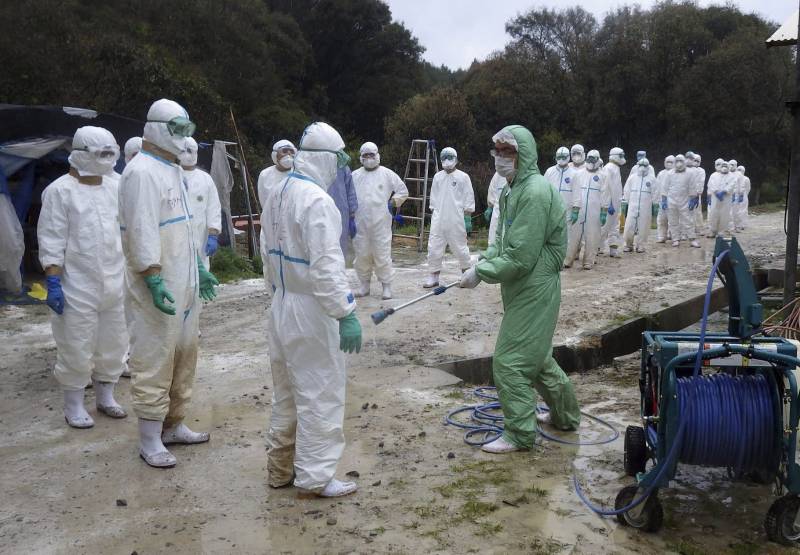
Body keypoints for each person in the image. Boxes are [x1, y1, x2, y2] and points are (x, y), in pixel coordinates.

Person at [458, 125, 580, 453]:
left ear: (523, 155)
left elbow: (521, 257)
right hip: (523, 286)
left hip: (534, 287)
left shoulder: (535, 192)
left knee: (511, 360)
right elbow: (504, 242)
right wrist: (483, 259)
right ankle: (565, 417)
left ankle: (519, 434)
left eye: (508, 152)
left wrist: (481, 273)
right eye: (497, 151)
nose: (500, 158)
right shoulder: (513, 189)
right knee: (537, 359)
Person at [261, 121, 362, 497]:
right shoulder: (318, 201)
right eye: (338, 158)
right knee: (320, 392)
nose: (341, 166)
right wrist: (345, 312)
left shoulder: (278, 191)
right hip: (311, 309)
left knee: (286, 392)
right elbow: (326, 269)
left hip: (282, 303)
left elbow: (265, 255)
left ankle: (280, 468)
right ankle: (316, 478)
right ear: (324, 159)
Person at [119, 98, 219, 468]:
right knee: (154, 354)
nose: (183, 138)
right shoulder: (141, 172)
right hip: (157, 285)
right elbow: (141, 233)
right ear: (158, 128)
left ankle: (173, 423)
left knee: (184, 353)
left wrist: (198, 264)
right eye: (178, 130)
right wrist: (152, 277)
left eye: (187, 130)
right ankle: (149, 437)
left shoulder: (172, 169)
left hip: (185, 280)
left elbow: (183, 225)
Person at [38, 126, 128, 428]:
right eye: (100, 154)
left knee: (114, 343)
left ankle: (106, 397)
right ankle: (73, 404)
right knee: (76, 345)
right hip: (76, 285)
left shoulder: (116, 187)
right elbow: (51, 239)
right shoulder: (59, 192)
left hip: (115, 281)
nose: (106, 159)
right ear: (79, 155)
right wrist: (53, 281)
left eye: (109, 153)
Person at [351, 142, 408, 299]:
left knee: (382, 254)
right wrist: (348, 217)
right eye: (366, 155)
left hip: (381, 223)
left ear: (377, 156)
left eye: (372, 155)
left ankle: (386, 286)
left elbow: (403, 191)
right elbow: (348, 196)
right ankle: (364, 286)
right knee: (362, 254)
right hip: (360, 223)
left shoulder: (387, 174)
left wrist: (393, 202)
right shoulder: (354, 176)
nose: (369, 158)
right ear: (361, 157)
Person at [422, 147, 475, 288]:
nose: (447, 160)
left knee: (460, 247)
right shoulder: (438, 177)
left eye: (450, 157)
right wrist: (433, 215)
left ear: (456, 159)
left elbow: (469, 198)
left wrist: (468, 217)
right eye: (444, 157)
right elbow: (433, 199)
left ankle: (466, 274)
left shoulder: (463, 177)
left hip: (456, 219)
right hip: (438, 219)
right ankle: (433, 276)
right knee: (434, 247)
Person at [179, 138, 221, 270]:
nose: (187, 154)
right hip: (176, 238)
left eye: (191, 151)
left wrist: (213, 234)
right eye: (183, 150)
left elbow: (213, 208)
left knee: (200, 274)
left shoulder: (205, 179)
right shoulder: (170, 174)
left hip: (201, 237)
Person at [564, 149, 608, 269]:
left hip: (594, 211)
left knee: (592, 236)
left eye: (593, 159)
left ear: (598, 160)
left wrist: (604, 211)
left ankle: (588, 261)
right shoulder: (578, 174)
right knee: (573, 236)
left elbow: (605, 195)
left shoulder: (603, 176)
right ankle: (568, 260)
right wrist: (574, 207)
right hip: (579, 210)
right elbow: (574, 192)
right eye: (589, 158)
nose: (591, 161)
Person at [258, 140, 296, 264]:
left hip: (293, 225)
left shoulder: (298, 173)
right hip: (271, 225)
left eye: (291, 151)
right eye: (284, 151)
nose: (288, 154)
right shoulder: (265, 175)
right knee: (270, 262)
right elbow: (264, 201)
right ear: (275, 155)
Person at [621, 158, 657, 253]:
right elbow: (626, 190)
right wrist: (625, 202)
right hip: (633, 205)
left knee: (643, 225)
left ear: (648, 167)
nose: (643, 167)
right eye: (641, 165)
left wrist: (655, 205)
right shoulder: (632, 178)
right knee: (629, 225)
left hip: (645, 206)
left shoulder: (652, 179)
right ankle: (628, 244)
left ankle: (641, 245)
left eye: (645, 165)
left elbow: (656, 192)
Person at [665, 154, 700, 248]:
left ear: (684, 162)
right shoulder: (670, 173)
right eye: (677, 161)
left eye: (681, 161)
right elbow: (665, 187)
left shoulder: (690, 173)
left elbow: (692, 186)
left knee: (688, 220)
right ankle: (675, 239)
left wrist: (693, 198)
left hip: (685, 200)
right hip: (671, 200)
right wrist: (664, 199)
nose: (679, 163)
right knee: (673, 221)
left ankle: (692, 239)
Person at [328, 165, 359, 260]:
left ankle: (338, 270)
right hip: (318, 212)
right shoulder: (309, 164)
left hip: (341, 212)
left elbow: (350, 191)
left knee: (340, 246)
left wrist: (352, 215)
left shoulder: (342, 167)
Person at [600, 147, 625, 257]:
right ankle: (597, 247)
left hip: (616, 203)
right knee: (604, 227)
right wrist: (608, 203)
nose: (622, 158)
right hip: (609, 204)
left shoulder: (616, 168)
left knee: (615, 226)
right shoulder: (608, 168)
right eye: (621, 155)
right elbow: (605, 187)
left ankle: (613, 250)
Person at [543, 146, 576, 226]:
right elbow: (543, 189)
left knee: (566, 235)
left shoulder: (574, 174)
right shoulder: (549, 171)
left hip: (567, 210)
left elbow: (577, 193)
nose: (561, 159)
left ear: (568, 157)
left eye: (563, 157)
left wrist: (576, 210)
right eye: (559, 157)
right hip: (551, 209)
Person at [706, 158, 735, 238]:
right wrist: (716, 192)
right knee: (713, 214)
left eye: (726, 166)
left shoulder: (732, 176)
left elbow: (732, 185)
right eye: (723, 165)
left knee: (724, 215)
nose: (724, 167)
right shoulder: (714, 175)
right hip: (715, 198)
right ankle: (713, 231)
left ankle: (721, 232)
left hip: (726, 199)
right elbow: (711, 184)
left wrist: (724, 192)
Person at [655, 155, 675, 243]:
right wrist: (657, 200)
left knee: (673, 219)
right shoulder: (661, 173)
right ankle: (662, 236)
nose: (669, 164)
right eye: (668, 162)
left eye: (671, 162)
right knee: (662, 219)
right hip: (662, 200)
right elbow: (657, 187)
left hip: (673, 200)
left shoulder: (676, 174)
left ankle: (673, 235)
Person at [485, 171, 506, 246]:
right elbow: (492, 190)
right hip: (497, 211)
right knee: (493, 239)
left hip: (514, 213)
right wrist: (490, 207)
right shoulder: (498, 174)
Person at [691, 153, 706, 235]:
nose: (696, 162)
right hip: (688, 194)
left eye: (698, 161)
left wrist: (698, 193)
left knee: (698, 211)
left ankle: (699, 228)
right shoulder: (688, 169)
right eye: (695, 160)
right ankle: (689, 228)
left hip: (697, 194)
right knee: (687, 212)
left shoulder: (701, 171)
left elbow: (701, 182)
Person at [726, 159, 741, 233]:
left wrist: (740, 194)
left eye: (733, 165)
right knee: (728, 212)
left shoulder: (739, 174)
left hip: (736, 195)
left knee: (736, 211)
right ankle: (728, 227)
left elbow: (740, 185)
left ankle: (737, 226)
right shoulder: (727, 173)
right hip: (728, 195)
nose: (731, 166)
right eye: (730, 164)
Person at [734, 165, 750, 231]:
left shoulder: (746, 179)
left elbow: (748, 188)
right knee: (736, 210)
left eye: (741, 170)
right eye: (738, 170)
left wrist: (744, 195)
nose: (739, 172)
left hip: (743, 196)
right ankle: (736, 224)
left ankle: (743, 224)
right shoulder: (735, 178)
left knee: (743, 210)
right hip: (736, 195)